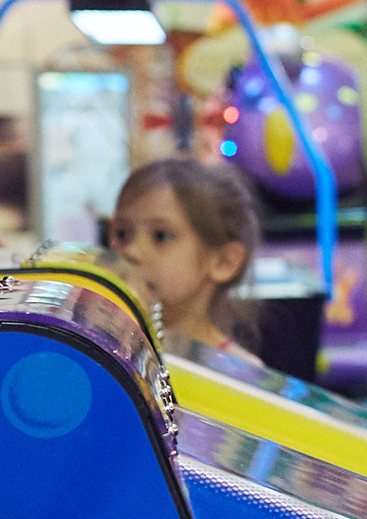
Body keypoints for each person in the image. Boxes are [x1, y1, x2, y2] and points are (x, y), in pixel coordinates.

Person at [109, 156, 264, 363]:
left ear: (224, 262)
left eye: (161, 236)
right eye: (122, 234)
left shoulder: (240, 375)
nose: (131, 251)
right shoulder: (106, 348)